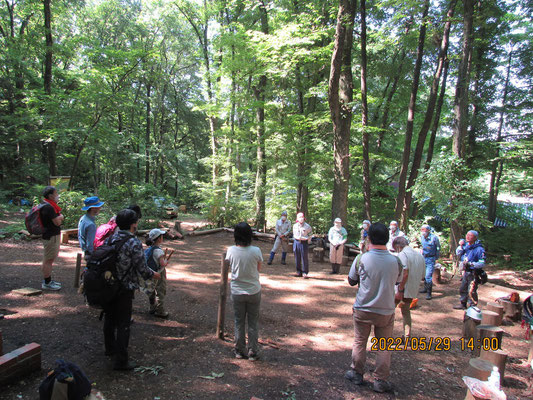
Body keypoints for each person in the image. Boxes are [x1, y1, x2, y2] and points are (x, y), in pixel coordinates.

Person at [345, 222, 403, 393]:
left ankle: (356, 373)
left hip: (363, 307)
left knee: (360, 341)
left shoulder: (361, 258)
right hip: (386, 310)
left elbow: (351, 280)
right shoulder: (396, 261)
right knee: (384, 345)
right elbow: (398, 281)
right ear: (387, 239)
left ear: (369, 237)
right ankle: (380, 380)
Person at [104, 209, 161, 370]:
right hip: (124, 287)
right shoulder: (133, 242)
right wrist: (154, 274)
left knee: (109, 319)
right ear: (133, 224)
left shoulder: (111, 238)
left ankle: (109, 349)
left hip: (109, 285)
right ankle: (121, 361)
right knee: (123, 323)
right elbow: (142, 268)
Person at [225, 222, 263, 360]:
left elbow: (229, 267)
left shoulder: (230, 251)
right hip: (253, 290)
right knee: (253, 322)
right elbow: (258, 268)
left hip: (237, 291)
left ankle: (239, 351)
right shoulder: (256, 251)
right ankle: (253, 351)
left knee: (238, 321)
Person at [392, 236, 426, 339]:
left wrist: (400, 289)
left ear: (398, 246)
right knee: (406, 311)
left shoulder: (403, 254)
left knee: (389, 310)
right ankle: (407, 336)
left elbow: (405, 273)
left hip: (401, 288)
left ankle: (386, 334)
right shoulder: (420, 256)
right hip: (412, 288)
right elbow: (423, 275)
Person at [144, 228, 174, 319]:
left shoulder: (149, 249)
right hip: (159, 273)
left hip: (150, 273)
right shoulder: (159, 251)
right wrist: (166, 262)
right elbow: (162, 264)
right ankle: (160, 310)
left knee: (151, 290)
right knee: (160, 291)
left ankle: (152, 307)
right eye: (161, 236)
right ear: (159, 239)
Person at [40, 186, 65, 291]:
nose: (57, 195)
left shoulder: (46, 205)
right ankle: (47, 282)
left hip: (50, 235)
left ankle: (48, 280)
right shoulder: (49, 207)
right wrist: (61, 217)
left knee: (48, 259)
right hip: (51, 236)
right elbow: (57, 222)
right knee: (48, 260)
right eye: (56, 193)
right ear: (50, 196)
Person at [453, 230, 486, 310]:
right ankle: (463, 304)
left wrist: (471, 264)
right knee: (463, 288)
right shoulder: (466, 246)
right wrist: (460, 246)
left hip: (474, 273)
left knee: (471, 290)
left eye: (470, 235)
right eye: (467, 235)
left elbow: (482, 263)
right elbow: (458, 252)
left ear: (475, 238)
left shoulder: (479, 249)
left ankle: (472, 307)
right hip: (466, 272)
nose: (467, 237)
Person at [78, 196, 104, 260]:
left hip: (85, 250)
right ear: (93, 208)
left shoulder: (83, 218)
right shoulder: (90, 224)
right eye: (98, 206)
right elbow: (90, 243)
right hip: (89, 253)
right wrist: (92, 255)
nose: (100, 208)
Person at [419, 224, 441, 300]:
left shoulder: (434, 238)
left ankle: (429, 293)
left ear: (428, 230)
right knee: (424, 274)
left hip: (431, 258)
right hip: (423, 257)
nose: (423, 231)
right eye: (421, 230)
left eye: (424, 230)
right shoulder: (422, 237)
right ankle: (425, 288)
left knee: (428, 275)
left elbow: (438, 248)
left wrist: (436, 259)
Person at [292, 212, 312, 278]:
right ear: (297, 218)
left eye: (302, 217)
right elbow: (294, 234)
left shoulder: (307, 226)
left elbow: (310, 235)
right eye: (299, 217)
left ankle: (305, 272)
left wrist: (307, 240)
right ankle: (298, 271)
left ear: (304, 218)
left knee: (304, 257)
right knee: (297, 257)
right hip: (296, 242)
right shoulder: (295, 226)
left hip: (304, 243)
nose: (301, 218)